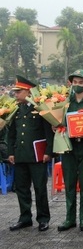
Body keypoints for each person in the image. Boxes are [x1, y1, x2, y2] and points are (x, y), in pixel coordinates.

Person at [7, 75, 54, 232]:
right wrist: (11, 152)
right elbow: (11, 134)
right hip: (20, 155)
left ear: (27, 91)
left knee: (40, 187)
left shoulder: (39, 108)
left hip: (37, 155)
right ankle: (25, 217)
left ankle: (43, 218)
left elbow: (48, 133)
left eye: (18, 91)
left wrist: (48, 152)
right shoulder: (15, 110)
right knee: (21, 188)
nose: (15, 94)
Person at [59, 69, 83, 232]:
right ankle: (69, 218)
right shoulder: (64, 102)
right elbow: (58, 121)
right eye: (74, 82)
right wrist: (58, 125)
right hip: (69, 146)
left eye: (81, 83)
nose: (77, 85)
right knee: (69, 183)